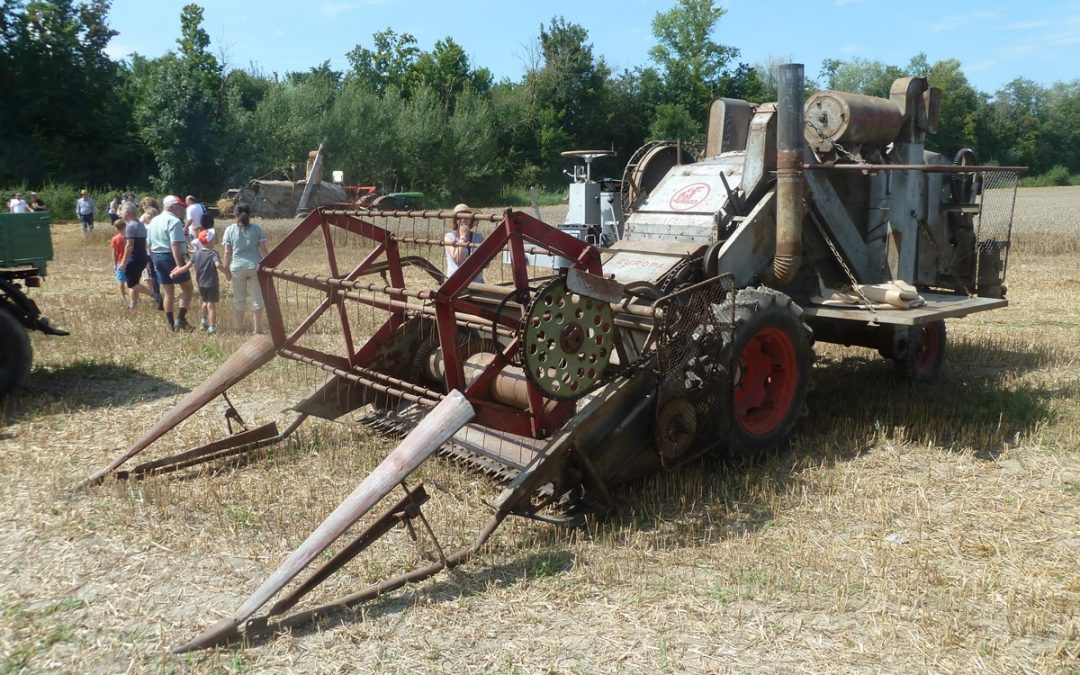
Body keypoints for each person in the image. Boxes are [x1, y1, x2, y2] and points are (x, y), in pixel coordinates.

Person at [148, 194, 195, 331]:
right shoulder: (174, 221)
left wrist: (153, 260)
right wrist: (180, 265)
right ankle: (180, 319)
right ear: (172, 207)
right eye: (180, 207)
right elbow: (175, 244)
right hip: (171, 257)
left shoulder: (154, 220)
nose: (182, 210)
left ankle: (170, 324)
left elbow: (149, 244)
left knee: (168, 292)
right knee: (187, 288)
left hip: (157, 256)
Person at [171, 228, 229, 334]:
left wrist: (176, 272)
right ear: (210, 241)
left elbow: (187, 267)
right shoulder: (213, 253)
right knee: (211, 305)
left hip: (201, 283)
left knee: (204, 303)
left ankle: (203, 322)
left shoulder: (196, 254)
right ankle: (212, 327)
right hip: (212, 283)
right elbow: (218, 265)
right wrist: (227, 273)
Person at [222, 204, 269, 334]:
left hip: (237, 268)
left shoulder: (229, 230)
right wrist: (270, 264)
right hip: (255, 266)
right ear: (250, 214)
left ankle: (239, 328)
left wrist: (226, 270)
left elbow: (227, 252)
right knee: (257, 298)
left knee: (239, 298)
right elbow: (263, 249)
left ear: (235, 215)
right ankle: (257, 328)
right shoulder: (257, 229)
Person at [443, 203, 485, 283]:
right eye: (460, 217)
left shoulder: (479, 237)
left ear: (471, 219)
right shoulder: (449, 237)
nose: (464, 219)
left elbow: (486, 264)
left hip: (477, 283)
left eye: (467, 216)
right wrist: (463, 237)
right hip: (455, 284)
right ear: (456, 221)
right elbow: (459, 258)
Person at [120, 204, 152, 309]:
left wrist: (123, 262)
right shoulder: (141, 225)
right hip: (143, 256)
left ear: (126, 213)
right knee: (135, 281)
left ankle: (155, 295)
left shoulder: (130, 226)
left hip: (134, 258)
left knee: (132, 284)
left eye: (122, 212)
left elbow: (129, 245)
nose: (121, 214)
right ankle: (133, 305)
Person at [110, 219, 129, 303]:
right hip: (130, 261)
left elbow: (114, 252)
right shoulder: (129, 237)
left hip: (120, 262)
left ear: (116, 228)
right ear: (125, 226)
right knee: (132, 280)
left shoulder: (115, 239)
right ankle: (134, 296)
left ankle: (123, 297)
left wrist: (115, 263)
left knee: (121, 281)